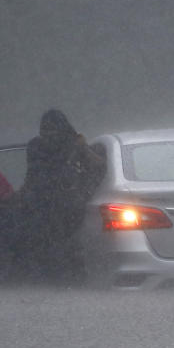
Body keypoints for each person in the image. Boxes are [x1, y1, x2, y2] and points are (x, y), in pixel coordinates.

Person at [12, 109, 106, 283]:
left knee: (64, 245)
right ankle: (54, 276)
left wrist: (82, 148)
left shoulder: (71, 144)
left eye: (51, 129)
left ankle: (66, 277)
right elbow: (32, 175)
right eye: (45, 129)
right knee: (46, 244)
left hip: (64, 206)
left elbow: (98, 166)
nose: (48, 134)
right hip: (43, 205)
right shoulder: (37, 146)